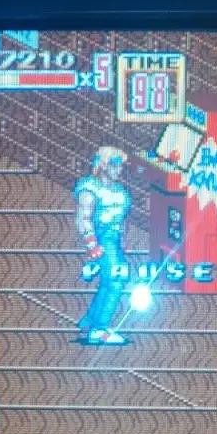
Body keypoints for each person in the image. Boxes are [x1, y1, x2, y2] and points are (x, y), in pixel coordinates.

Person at [74, 147, 132, 345]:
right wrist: (92, 244)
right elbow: (83, 218)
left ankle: (90, 320)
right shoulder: (90, 188)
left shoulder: (120, 191)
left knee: (111, 280)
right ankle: (99, 329)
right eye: (114, 165)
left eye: (121, 166)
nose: (118, 169)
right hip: (101, 238)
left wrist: (122, 242)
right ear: (103, 164)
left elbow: (122, 220)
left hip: (114, 241)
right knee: (115, 281)